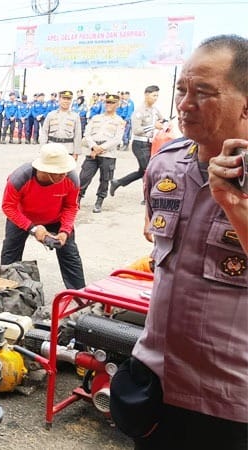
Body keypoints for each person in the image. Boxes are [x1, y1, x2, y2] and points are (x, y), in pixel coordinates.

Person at [115, 35, 248, 449]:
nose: (185, 104)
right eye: (182, 89)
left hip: (228, 399)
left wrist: (234, 207)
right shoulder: (165, 164)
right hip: (154, 380)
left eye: (204, 92)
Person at [0, 143, 85, 290]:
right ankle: (6, 292)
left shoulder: (71, 178)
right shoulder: (19, 178)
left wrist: (65, 231)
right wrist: (33, 229)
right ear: (45, 170)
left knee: (70, 255)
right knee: (10, 255)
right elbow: (8, 206)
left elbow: (71, 206)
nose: (64, 175)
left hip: (56, 218)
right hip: (23, 217)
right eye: (59, 172)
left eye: (65, 171)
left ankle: (80, 295)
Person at [110, 85, 164, 197]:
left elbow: (162, 119)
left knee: (142, 171)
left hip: (150, 143)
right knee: (148, 170)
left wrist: (166, 122)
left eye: (157, 96)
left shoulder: (154, 110)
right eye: (154, 95)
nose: (156, 98)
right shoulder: (139, 111)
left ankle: (118, 182)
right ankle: (149, 195)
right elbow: (136, 130)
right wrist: (153, 126)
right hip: (140, 144)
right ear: (146, 95)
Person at [79, 93, 125, 213]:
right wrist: (93, 147)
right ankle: (77, 199)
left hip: (108, 154)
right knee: (84, 177)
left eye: (112, 103)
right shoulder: (96, 118)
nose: (109, 105)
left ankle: (99, 200)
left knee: (105, 179)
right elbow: (87, 134)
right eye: (107, 102)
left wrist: (100, 148)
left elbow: (117, 139)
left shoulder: (119, 121)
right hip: (92, 151)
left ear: (117, 104)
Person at [39, 90, 82, 159]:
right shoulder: (51, 115)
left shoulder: (75, 116)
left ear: (71, 101)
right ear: (59, 99)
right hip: (51, 149)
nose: (66, 101)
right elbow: (44, 133)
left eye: (68, 99)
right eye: (64, 98)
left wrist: (76, 153)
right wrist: (42, 149)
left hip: (68, 150)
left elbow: (77, 135)